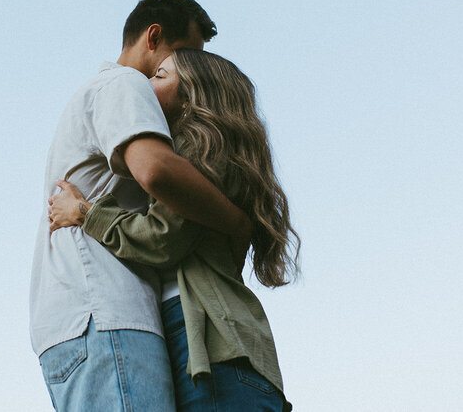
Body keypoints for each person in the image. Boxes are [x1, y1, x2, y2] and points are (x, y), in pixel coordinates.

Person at [30, 0, 253, 412]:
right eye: (182, 55)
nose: (191, 71)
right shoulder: (126, 83)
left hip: (81, 318)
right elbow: (157, 170)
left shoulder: (97, 93)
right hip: (109, 313)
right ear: (153, 38)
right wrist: (236, 221)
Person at [48, 49, 299, 411]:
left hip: (210, 347)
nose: (146, 83)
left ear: (192, 97)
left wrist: (86, 212)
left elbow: (163, 237)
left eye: (161, 76)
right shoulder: (222, 157)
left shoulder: (201, 151)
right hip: (228, 349)